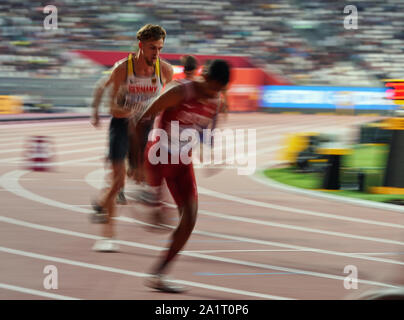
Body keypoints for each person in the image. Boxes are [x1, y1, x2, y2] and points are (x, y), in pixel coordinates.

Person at [136, 59, 231, 292]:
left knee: (189, 219)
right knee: (157, 220)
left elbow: (204, 130)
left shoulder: (215, 100)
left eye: (220, 91)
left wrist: (210, 151)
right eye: (214, 88)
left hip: (182, 162)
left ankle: (158, 275)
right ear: (204, 77)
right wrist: (136, 162)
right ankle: (149, 195)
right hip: (159, 156)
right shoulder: (179, 91)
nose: (215, 94)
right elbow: (142, 118)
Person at [90, 24, 173, 252]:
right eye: (151, 48)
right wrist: (98, 111)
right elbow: (114, 107)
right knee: (117, 183)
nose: (156, 53)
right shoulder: (122, 70)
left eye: (159, 48)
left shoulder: (165, 71)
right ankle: (107, 236)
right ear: (140, 46)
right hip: (121, 124)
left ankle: (103, 202)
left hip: (146, 128)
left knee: (144, 175)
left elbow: (168, 102)